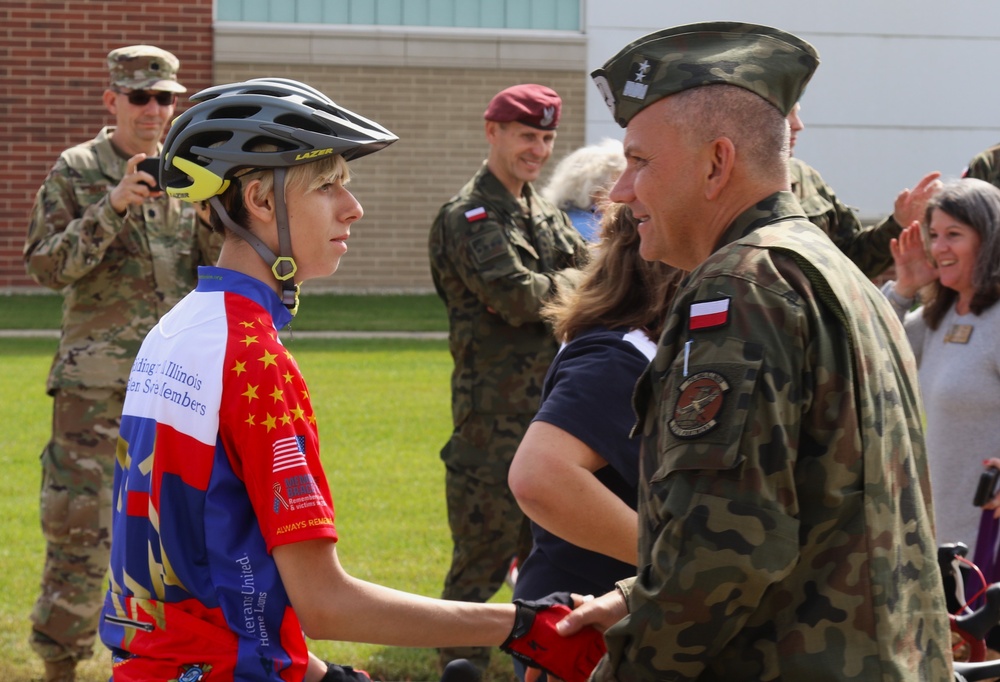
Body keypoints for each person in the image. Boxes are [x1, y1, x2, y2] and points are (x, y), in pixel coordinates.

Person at [99, 77, 604, 682]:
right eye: (328, 185)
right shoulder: (254, 360)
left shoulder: (176, 330)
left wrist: (319, 673)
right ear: (259, 201)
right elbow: (324, 601)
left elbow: (206, 566)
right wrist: (520, 623)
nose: (353, 207)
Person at [550, 21, 952, 680]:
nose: (621, 192)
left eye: (640, 160)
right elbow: (816, 515)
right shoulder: (835, 273)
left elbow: (723, 553)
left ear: (716, 163)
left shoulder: (741, 286)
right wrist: (633, 596)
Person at [22, 44, 220, 682]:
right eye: (141, 96)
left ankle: (158, 664)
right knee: (80, 533)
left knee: (174, 536)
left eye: (166, 97)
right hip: (95, 390)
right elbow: (46, 264)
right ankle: (60, 667)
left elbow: (212, 272)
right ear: (112, 100)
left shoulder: (186, 175)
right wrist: (112, 207)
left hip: (173, 391)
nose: (156, 109)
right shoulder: (77, 168)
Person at [428, 83, 590, 673]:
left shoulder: (541, 211)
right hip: (491, 424)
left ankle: (540, 663)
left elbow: (589, 271)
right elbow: (517, 296)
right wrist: (585, 290)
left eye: (547, 138)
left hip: (553, 414)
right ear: (492, 130)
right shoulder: (470, 215)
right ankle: (458, 665)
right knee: (482, 559)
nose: (538, 150)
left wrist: (580, 285)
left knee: (550, 557)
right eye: (527, 135)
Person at [507, 203, 682, 680]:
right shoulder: (620, 357)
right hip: (588, 623)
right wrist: (675, 563)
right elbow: (539, 476)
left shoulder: (631, 344)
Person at [883, 178, 1000, 583]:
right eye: (934, 235)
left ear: (990, 240)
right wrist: (904, 289)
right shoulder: (936, 319)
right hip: (941, 539)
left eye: (954, 235)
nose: (939, 248)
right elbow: (871, 351)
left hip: (991, 540)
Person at [786, 102, 941, 279]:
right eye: (786, 114)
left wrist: (898, 224)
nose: (798, 125)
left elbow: (851, 258)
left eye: (796, 114)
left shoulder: (805, 176)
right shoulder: (747, 183)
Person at [540, 138, 625, 241]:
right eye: (616, 184)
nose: (623, 193)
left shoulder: (560, 217)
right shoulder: (589, 228)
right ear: (595, 190)